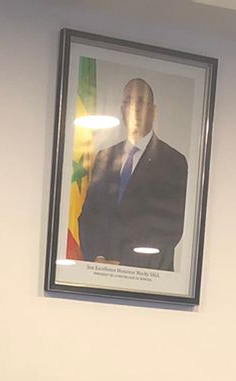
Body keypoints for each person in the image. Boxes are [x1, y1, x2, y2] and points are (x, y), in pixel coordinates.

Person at [77, 78, 190, 272]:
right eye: (128, 101)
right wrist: (98, 257)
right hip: (99, 271)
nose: (134, 108)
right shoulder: (104, 157)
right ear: (122, 110)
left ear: (153, 111)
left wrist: (123, 266)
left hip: (146, 275)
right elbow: (89, 216)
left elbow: (170, 229)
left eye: (141, 101)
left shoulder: (173, 161)